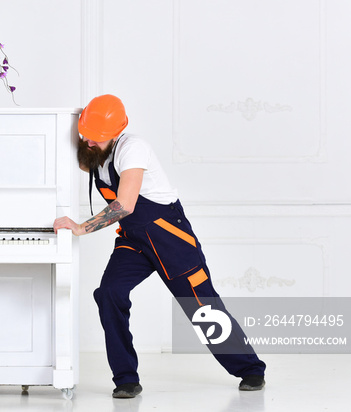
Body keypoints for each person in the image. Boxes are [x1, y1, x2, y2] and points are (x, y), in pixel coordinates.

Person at [54, 95, 266, 398]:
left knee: (202, 306)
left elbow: (125, 204)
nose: (88, 141)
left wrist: (80, 228)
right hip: (134, 241)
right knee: (109, 293)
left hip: (170, 238)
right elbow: (68, 154)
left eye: (96, 137)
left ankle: (250, 369)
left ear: (115, 134)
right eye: (86, 134)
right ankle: (126, 379)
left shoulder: (133, 148)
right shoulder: (92, 153)